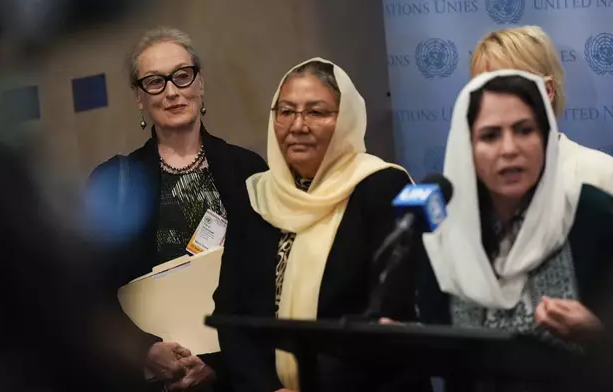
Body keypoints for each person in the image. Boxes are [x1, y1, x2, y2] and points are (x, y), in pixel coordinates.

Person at [213, 58, 429, 392]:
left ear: (346, 121)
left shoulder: (383, 187)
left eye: (316, 112)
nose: (298, 125)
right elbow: (231, 314)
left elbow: (392, 316)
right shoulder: (256, 198)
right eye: (286, 111)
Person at [416, 70, 613, 390]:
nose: (509, 149)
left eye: (524, 130)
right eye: (490, 136)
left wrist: (598, 332)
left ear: (546, 139)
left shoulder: (598, 218)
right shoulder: (445, 233)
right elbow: (437, 344)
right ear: (467, 149)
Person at [86, 26, 267, 391]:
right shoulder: (114, 181)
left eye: (182, 76)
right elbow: (91, 290)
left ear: (200, 83)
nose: (172, 92)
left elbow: (267, 281)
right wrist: (145, 350)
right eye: (154, 82)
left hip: (236, 375)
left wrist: (219, 362)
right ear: (139, 96)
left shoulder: (249, 170)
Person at [470, 25, 613, 210]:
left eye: (509, 87)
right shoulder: (468, 183)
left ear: (547, 91)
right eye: (484, 88)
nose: (494, 101)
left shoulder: (599, 174)